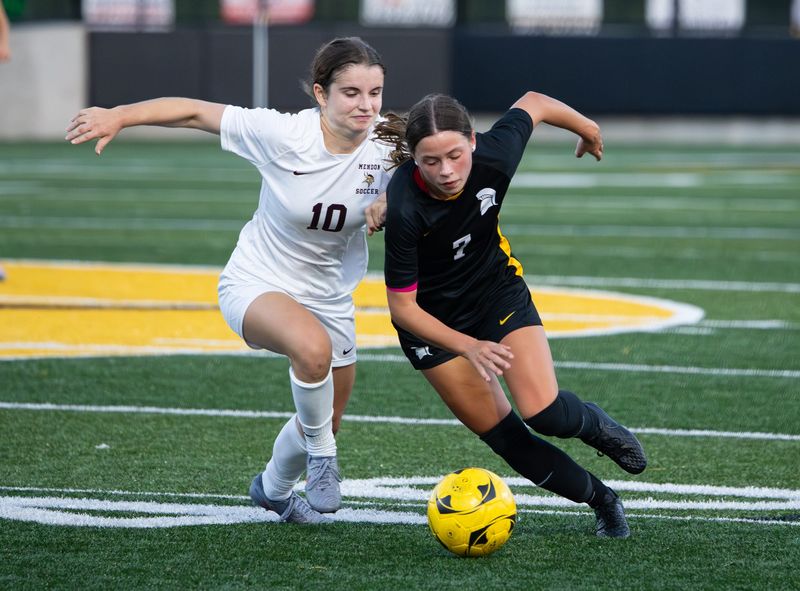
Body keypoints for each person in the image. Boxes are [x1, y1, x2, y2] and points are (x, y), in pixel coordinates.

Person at [66, 37, 394, 524]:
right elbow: (194, 112)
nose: (366, 105)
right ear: (320, 94)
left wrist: (394, 198)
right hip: (256, 282)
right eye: (351, 92)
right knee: (312, 353)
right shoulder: (284, 133)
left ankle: (273, 490)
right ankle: (324, 460)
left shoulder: (392, 142)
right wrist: (120, 115)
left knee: (327, 417)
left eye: (375, 92)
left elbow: (449, 159)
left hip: (330, 296)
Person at [375, 92, 647, 538]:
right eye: (431, 161)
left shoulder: (496, 153)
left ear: (473, 140)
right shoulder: (405, 205)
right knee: (507, 437)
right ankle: (604, 501)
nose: (446, 171)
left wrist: (587, 128)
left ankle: (594, 424)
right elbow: (402, 308)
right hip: (432, 324)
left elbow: (534, 103)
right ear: (415, 159)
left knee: (544, 412)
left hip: (495, 292)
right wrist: (468, 346)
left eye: (455, 155)